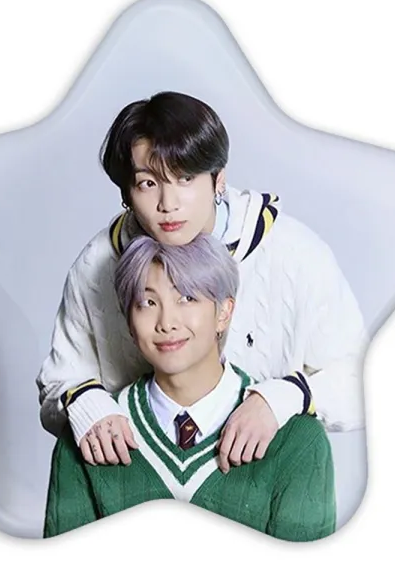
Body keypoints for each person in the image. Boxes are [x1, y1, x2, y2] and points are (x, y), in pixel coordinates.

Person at [36, 91, 367, 473]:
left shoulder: (294, 253)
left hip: (263, 481)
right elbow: (58, 383)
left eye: (185, 178)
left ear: (218, 179)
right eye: (147, 183)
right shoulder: (97, 264)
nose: (168, 203)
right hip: (141, 479)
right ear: (126, 193)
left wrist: (282, 397)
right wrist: (85, 403)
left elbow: (362, 384)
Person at [43, 234, 336, 542]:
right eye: (147, 303)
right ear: (129, 320)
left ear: (224, 313)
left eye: (186, 298)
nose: (166, 323)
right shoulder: (88, 437)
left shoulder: (297, 441)